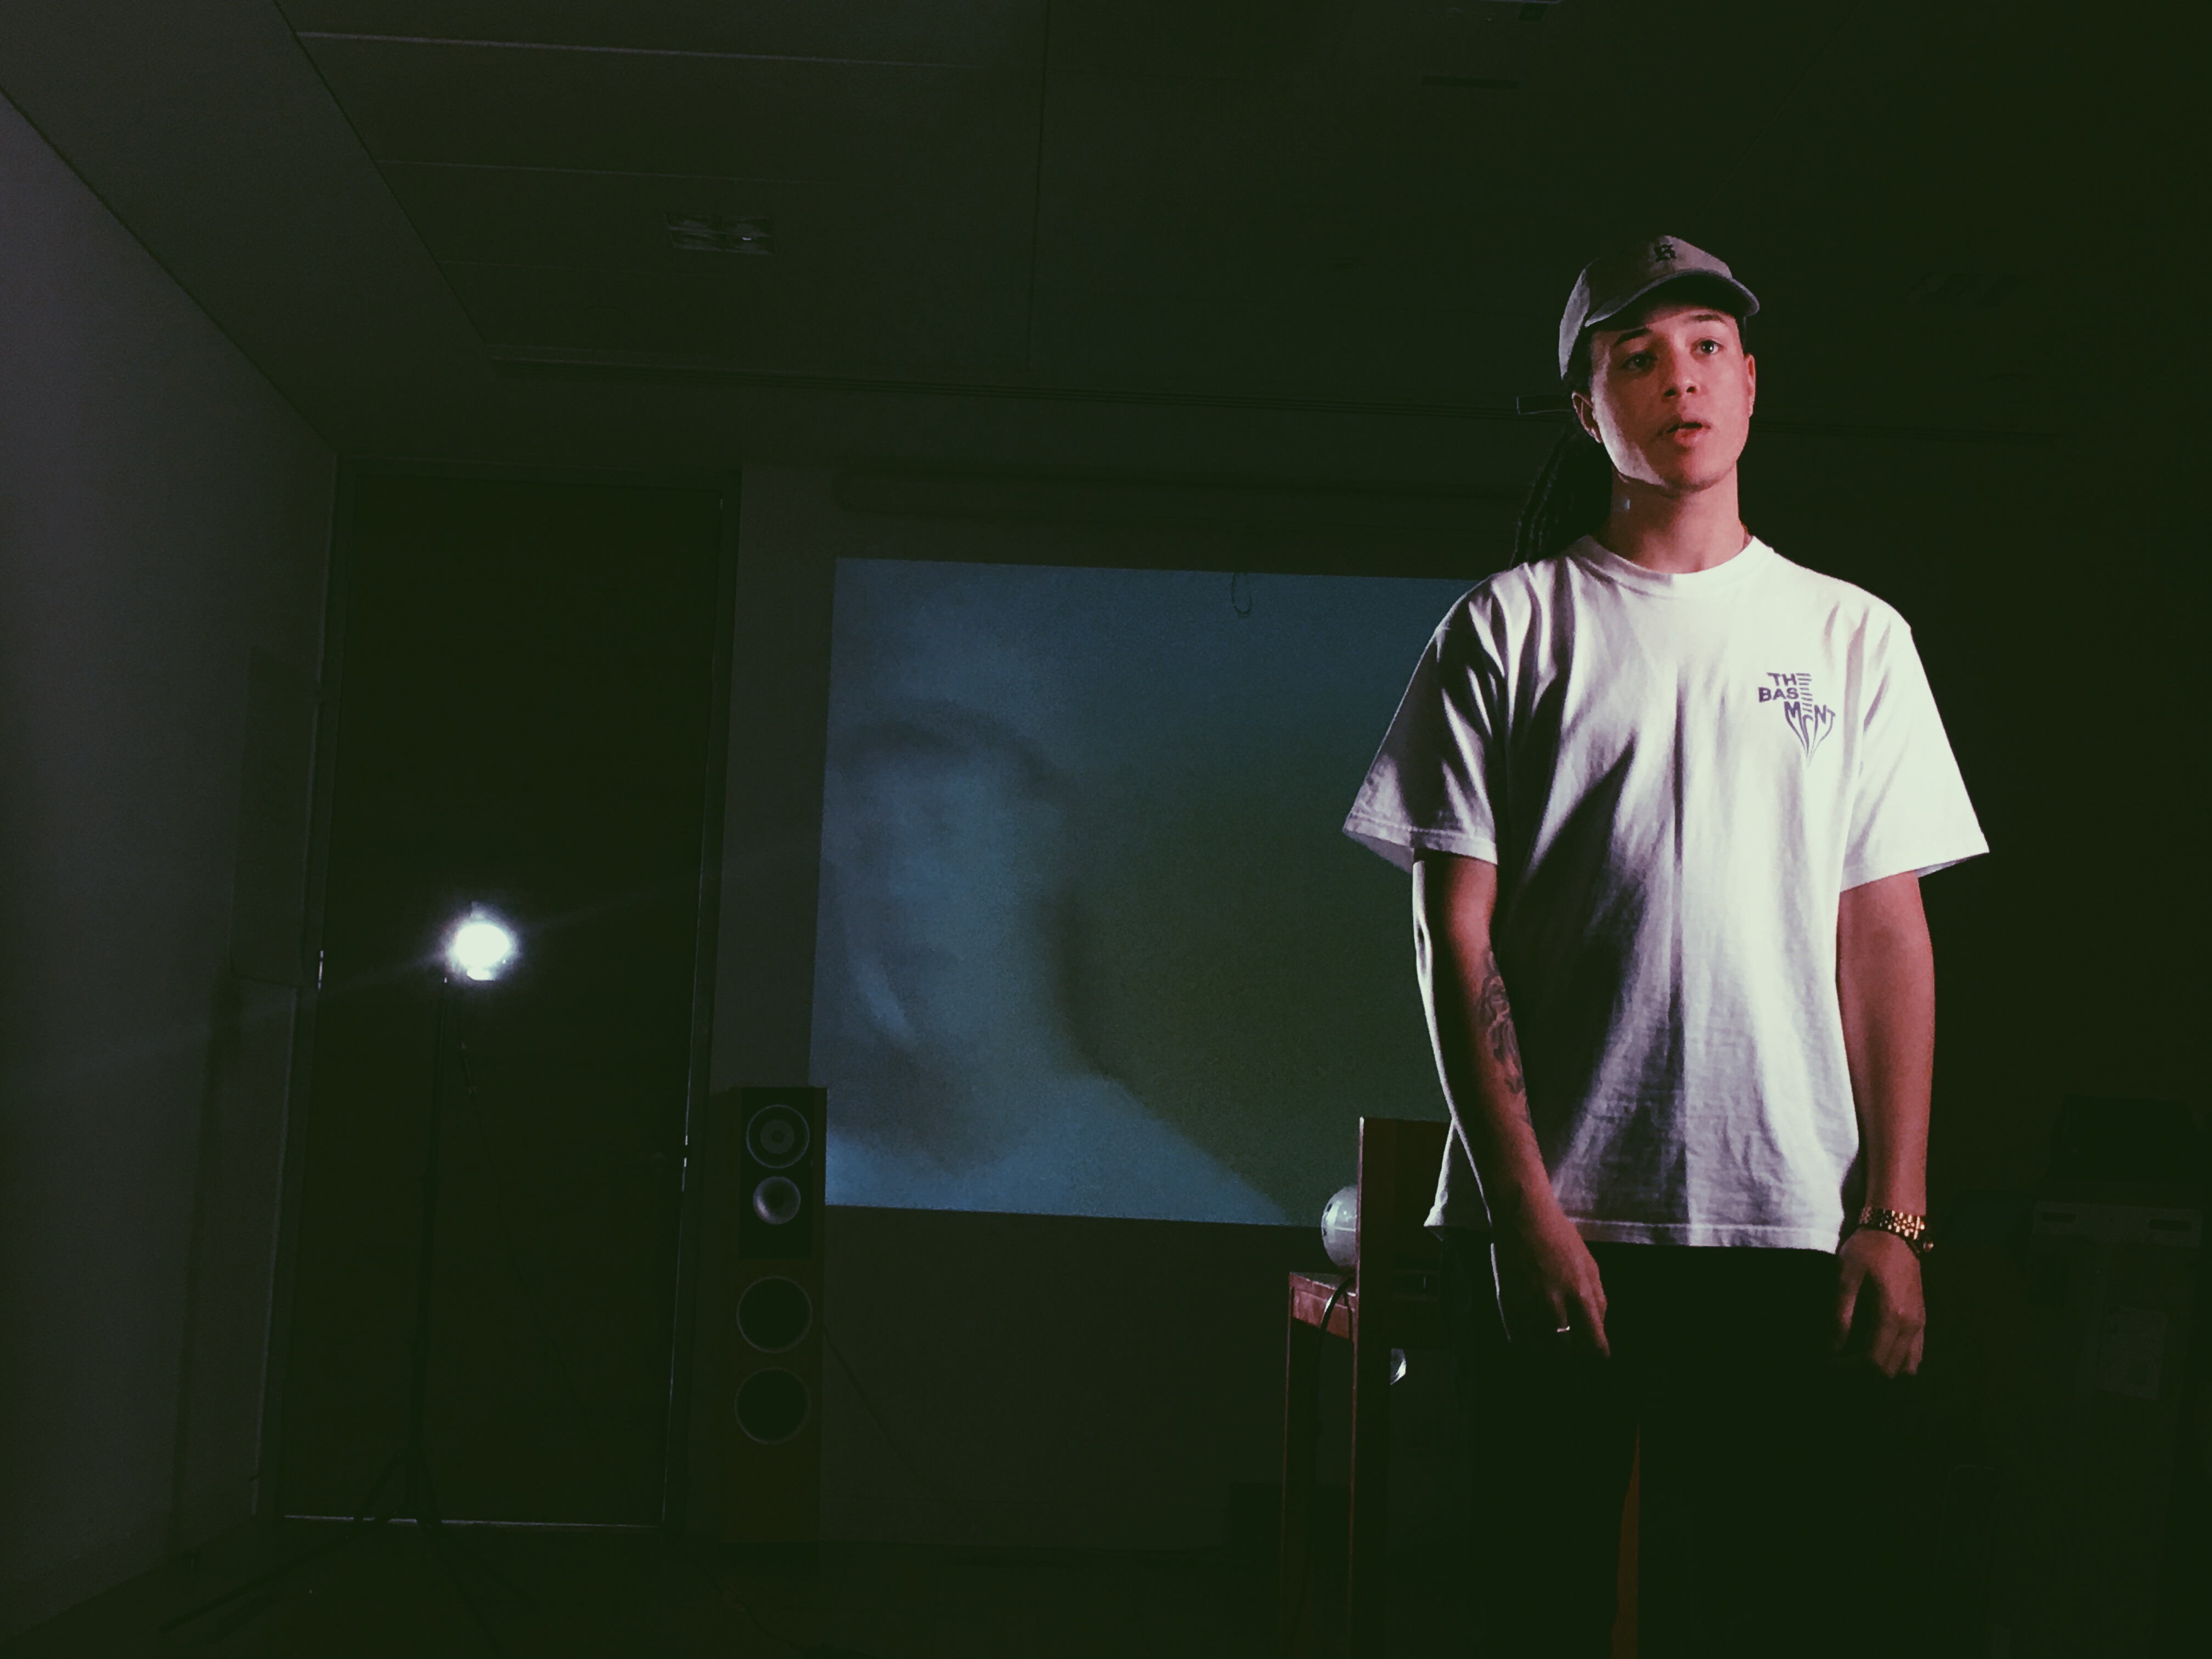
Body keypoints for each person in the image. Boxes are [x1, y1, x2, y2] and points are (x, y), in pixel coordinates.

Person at [1342, 236, 1986, 1655]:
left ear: (1752, 384)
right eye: (1635, 358)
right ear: (1589, 410)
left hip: (1785, 1225)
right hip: (1560, 1225)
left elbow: (1885, 935)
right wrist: (1524, 1215)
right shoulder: (1507, 627)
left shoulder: (1855, 638)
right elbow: (1455, 937)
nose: (1678, 379)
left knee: (1774, 1611)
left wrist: (1896, 1218)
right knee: (1540, 1611)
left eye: (1705, 348)